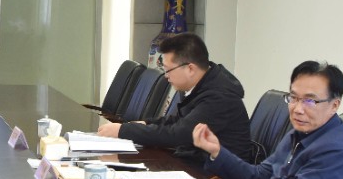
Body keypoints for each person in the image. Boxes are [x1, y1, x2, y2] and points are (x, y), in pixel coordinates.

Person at [191, 61, 343, 179]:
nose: (298, 109)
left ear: (334, 105)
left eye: (309, 101)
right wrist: (217, 152)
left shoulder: (335, 150)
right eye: (293, 98)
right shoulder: (299, 134)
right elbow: (259, 178)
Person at [98, 33, 253, 165]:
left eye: (168, 70)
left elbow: (179, 134)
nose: (166, 76)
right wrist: (146, 123)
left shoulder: (219, 98)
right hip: (197, 163)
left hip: (219, 178)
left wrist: (124, 130)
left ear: (190, 68)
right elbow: (178, 121)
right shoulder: (201, 84)